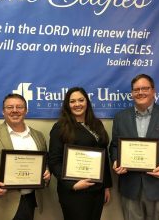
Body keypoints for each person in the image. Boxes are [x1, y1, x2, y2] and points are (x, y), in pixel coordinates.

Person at [109, 74, 159, 220]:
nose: (140, 92)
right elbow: (114, 146)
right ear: (132, 94)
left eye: (145, 88)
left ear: (153, 91)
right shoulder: (121, 117)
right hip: (131, 188)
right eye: (136, 89)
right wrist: (116, 161)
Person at [48, 87, 112, 220]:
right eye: (72, 101)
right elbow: (54, 161)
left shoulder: (97, 124)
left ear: (87, 102)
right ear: (67, 105)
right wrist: (72, 184)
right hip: (74, 191)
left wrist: (106, 186)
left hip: (97, 190)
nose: (77, 104)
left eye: (81, 100)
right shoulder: (60, 127)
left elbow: (103, 157)